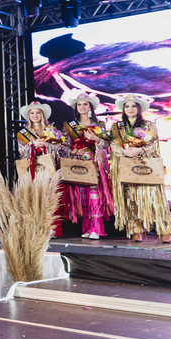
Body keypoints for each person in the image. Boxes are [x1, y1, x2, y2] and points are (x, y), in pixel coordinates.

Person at [108, 94, 171, 243]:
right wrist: (124, 151)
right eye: (127, 106)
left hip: (145, 165)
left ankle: (165, 230)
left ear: (139, 108)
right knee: (130, 198)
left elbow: (153, 144)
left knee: (154, 198)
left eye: (133, 106)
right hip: (126, 165)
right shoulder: (116, 127)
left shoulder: (148, 125)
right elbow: (113, 144)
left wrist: (140, 150)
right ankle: (136, 229)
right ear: (123, 109)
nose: (130, 109)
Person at [59, 90, 113, 239]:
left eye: (85, 104)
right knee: (83, 197)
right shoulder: (69, 126)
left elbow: (106, 144)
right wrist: (73, 151)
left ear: (90, 106)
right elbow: (63, 146)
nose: (82, 107)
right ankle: (88, 228)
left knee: (94, 195)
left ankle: (96, 228)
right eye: (79, 105)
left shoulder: (99, 124)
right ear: (76, 108)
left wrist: (96, 139)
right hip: (79, 164)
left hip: (95, 163)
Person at [17, 100, 66, 237]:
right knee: (34, 198)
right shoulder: (24, 133)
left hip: (48, 168)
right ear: (28, 116)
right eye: (32, 113)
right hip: (32, 169)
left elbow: (61, 147)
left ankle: (52, 228)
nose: (35, 115)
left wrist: (45, 144)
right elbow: (21, 151)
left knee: (50, 197)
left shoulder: (52, 130)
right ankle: (37, 228)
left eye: (38, 112)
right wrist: (32, 144)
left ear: (43, 115)